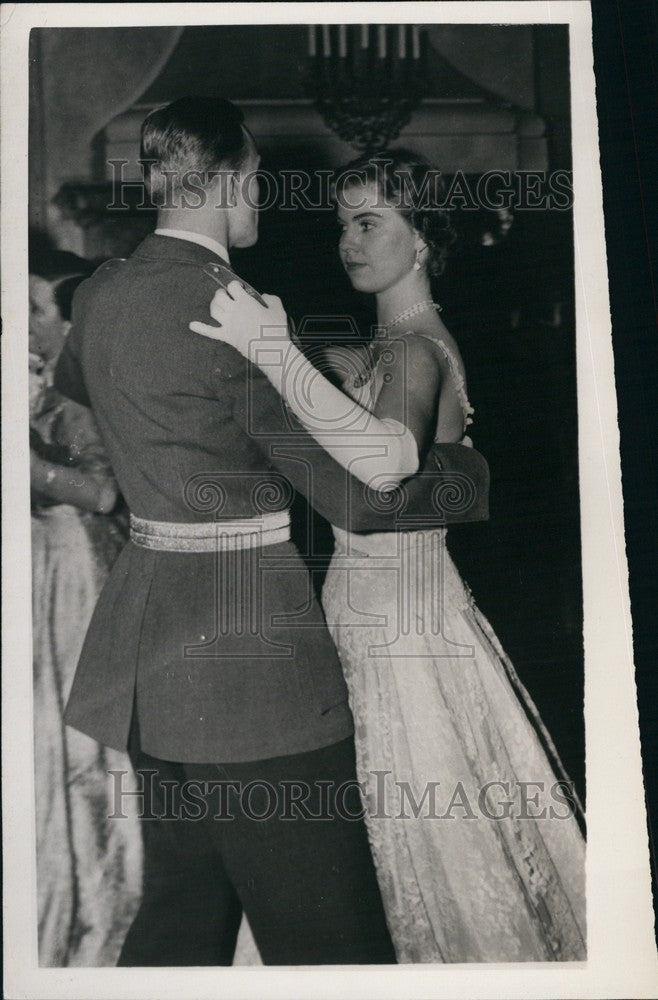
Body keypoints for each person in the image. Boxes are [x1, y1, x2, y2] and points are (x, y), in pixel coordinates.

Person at [53, 98, 490, 967]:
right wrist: (475, 477)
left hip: (143, 645)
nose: (259, 200)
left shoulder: (103, 292)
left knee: (183, 911)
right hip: (251, 675)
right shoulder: (235, 313)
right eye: (255, 182)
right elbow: (360, 499)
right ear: (226, 183)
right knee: (331, 943)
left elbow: (74, 399)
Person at [191, 150, 587, 962]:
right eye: (342, 223)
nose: (349, 240)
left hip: (394, 622)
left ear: (423, 241)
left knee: (402, 827)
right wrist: (309, 367)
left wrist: (275, 352)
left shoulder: (411, 352)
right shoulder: (397, 344)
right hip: (387, 603)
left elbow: (388, 461)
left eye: (370, 222)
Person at [29, 256, 142, 966]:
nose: (33, 322)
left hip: (80, 577)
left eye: (40, 308)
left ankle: (100, 922)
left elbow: (103, 496)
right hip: (49, 577)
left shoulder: (78, 395)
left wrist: (26, 465)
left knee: (87, 757)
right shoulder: (42, 388)